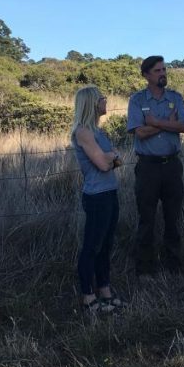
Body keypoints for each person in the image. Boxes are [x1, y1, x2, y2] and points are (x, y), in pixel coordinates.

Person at [126, 56, 184, 275]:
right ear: (146, 75)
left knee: (173, 217)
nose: (163, 73)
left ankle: (174, 265)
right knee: (147, 218)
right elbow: (140, 133)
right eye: (157, 70)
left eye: (164, 69)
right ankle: (145, 268)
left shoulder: (176, 97)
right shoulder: (137, 100)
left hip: (172, 166)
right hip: (148, 168)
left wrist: (155, 122)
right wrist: (167, 124)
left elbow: (183, 126)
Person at [71, 85, 126, 319]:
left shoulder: (99, 132)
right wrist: (111, 157)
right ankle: (87, 297)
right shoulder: (83, 132)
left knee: (105, 245)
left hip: (110, 192)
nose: (106, 101)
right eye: (103, 98)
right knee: (92, 246)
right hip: (96, 196)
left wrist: (111, 157)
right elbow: (104, 164)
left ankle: (104, 290)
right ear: (92, 103)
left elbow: (116, 159)